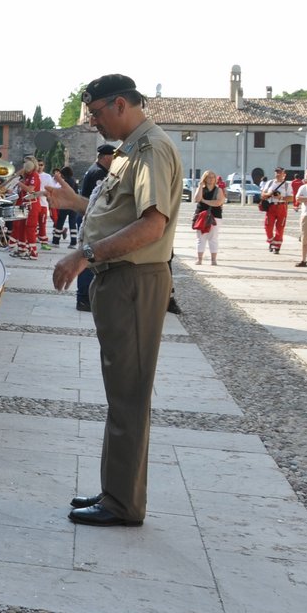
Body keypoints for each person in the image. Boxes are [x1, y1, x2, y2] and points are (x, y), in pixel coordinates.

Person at [48, 74, 182, 527]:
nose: (92, 122)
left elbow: (150, 226)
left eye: (96, 112)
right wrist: (76, 204)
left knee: (128, 394)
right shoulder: (132, 150)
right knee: (120, 391)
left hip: (133, 280)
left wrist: (83, 254)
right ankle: (115, 492)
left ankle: (123, 503)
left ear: (120, 104)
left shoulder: (150, 150)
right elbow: (117, 213)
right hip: (120, 281)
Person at [74, 145, 115, 312]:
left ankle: (86, 297)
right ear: (106, 157)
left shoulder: (95, 169)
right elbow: (99, 201)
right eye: (113, 157)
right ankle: (83, 298)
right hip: (90, 221)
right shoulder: (98, 173)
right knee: (88, 258)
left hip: (89, 219)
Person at [191, 170, 226, 266]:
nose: (211, 179)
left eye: (212, 177)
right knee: (200, 238)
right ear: (205, 178)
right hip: (201, 216)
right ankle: (199, 259)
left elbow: (218, 202)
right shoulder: (202, 189)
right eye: (208, 177)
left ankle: (213, 260)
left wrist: (204, 201)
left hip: (215, 216)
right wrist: (200, 186)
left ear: (215, 179)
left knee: (213, 238)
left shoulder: (218, 190)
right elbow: (197, 199)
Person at [259, 166, 292, 253]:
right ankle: (271, 241)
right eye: (276, 172)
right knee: (268, 226)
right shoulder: (270, 183)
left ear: (284, 174)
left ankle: (277, 246)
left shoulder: (287, 185)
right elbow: (262, 194)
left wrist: (280, 197)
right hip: (271, 206)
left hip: (282, 206)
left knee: (280, 227)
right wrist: (269, 194)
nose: (278, 174)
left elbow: (291, 198)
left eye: (280, 172)